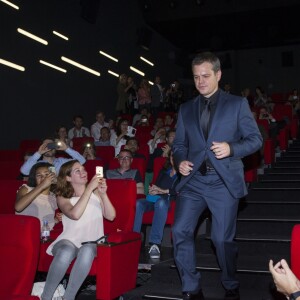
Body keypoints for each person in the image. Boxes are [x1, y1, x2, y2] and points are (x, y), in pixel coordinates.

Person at [172, 52, 262, 300]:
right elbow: (178, 145)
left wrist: (232, 148)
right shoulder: (186, 109)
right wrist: (180, 162)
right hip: (194, 182)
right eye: (196, 77)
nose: (200, 81)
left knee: (222, 240)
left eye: (206, 76)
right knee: (180, 231)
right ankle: (191, 287)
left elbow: (255, 140)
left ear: (218, 75)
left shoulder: (236, 104)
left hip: (222, 182)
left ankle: (231, 283)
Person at [41, 160, 116, 300]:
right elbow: (75, 214)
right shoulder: (62, 196)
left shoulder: (96, 193)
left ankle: (68, 297)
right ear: (68, 177)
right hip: (68, 239)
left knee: (87, 249)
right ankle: (46, 297)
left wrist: (103, 194)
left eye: (83, 169)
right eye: (77, 171)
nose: (83, 172)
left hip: (92, 241)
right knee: (65, 251)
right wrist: (88, 190)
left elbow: (111, 216)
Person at [133, 153, 178, 259]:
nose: (174, 158)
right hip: (156, 199)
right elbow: (156, 185)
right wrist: (153, 190)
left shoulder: (184, 174)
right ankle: (134, 239)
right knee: (139, 203)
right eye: (172, 156)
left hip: (170, 202)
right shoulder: (164, 172)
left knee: (161, 203)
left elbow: (180, 190)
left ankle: (155, 243)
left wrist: (162, 191)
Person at [15, 162, 61, 230]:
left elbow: (45, 220)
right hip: (25, 231)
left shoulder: (54, 197)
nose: (43, 178)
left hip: (43, 235)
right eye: (39, 175)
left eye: (46, 174)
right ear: (34, 178)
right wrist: (42, 186)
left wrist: (56, 220)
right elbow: (18, 208)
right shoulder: (26, 189)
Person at [20, 139, 86, 176]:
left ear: (56, 148)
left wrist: (66, 149)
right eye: (46, 146)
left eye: (51, 145)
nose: (49, 148)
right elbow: (24, 171)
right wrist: (38, 153)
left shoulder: (62, 161)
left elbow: (82, 161)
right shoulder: (37, 164)